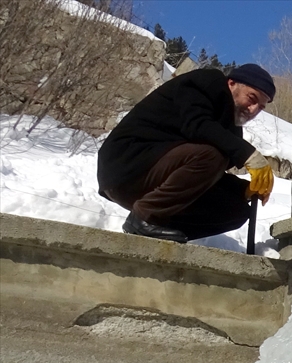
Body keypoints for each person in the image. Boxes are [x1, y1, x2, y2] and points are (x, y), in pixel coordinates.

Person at [97, 64, 277, 243]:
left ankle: (161, 231)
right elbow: (196, 126)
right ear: (231, 83)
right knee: (211, 155)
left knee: (236, 210)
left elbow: (198, 175)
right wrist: (248, 154)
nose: (253, 110)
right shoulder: (206, 83)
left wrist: (243, 191)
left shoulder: (231, 129)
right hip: (125, 166)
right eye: (251, 98)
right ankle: (144, 218)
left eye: (260, 107)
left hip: (152, 180)